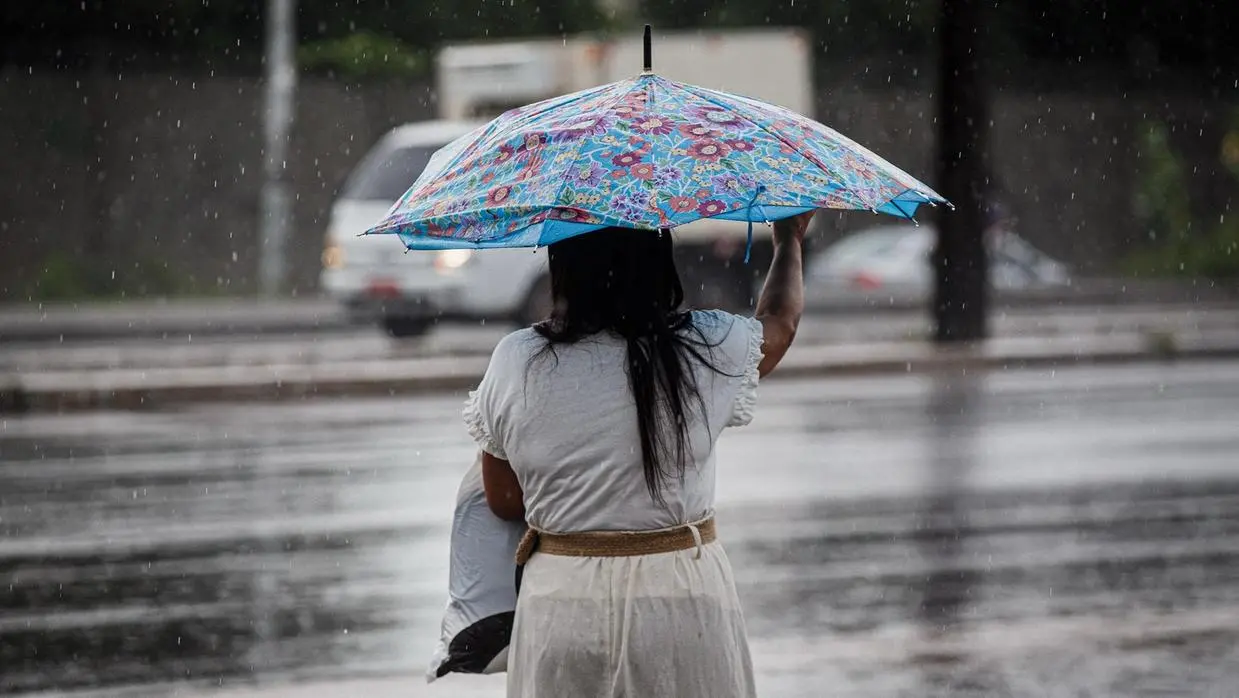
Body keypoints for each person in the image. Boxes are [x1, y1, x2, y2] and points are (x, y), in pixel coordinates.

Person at [462, 209, 816, 698]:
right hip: (681, 600)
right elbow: (779, 323)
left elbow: (502, 499)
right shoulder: (705, 346)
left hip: (562, 604)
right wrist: (787, 244)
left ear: (561, 264)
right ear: (660, 260)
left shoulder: (517, 359)